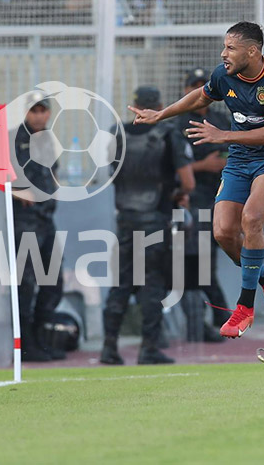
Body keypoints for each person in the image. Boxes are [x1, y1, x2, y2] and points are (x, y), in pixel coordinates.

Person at [129, 22, 264, 338]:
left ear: (252, 50)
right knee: (222, 232)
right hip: (240, 159)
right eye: (224, 47)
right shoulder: (224, 74)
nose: (224, 53)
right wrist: (159, 114)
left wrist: (223, 135)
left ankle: (244, 307)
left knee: (251, 219)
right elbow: (201, 97)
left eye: (231, 47)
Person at [101, 86, 194, 364]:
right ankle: (149, 348)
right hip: (155, 219)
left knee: (121, 283)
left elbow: (113, 173)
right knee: (151, 284)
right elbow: (188, 182)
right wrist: (176, 193)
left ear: (135, 104)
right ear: (160, 105)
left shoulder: (118, 133)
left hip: (126, 218)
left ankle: (109, 348)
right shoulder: (168, 135)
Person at [176, 69, 230, 342]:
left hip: (219, 199)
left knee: (206, 263)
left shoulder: (220, 119)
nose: (199, 91)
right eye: (193, 86)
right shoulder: (177, 123)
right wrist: (204, 165)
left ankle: (220, 319)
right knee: (191, 265)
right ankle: (216, 319)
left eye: (202, 86)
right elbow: (175, 168)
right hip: (189, 202)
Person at [11, 96, 66, 362]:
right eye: (35, 111)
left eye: (44, 111)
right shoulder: (12, 139)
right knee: (26, 285)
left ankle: (42, 338)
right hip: (24, 221)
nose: (40, 116)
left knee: (53, 281)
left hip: (46, 219)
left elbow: (52, 172)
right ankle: (26, 344)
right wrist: (16, 191)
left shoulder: (48, 139)